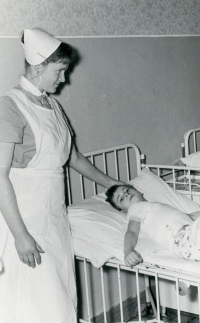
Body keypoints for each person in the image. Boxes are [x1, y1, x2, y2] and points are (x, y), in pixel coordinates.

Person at [0, 27, 123, 323]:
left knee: (60, 300)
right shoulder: (10, 107)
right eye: (59, 71)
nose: (63, 79)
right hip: (23, 221)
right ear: (39, 66)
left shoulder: (52, 106)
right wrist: (20, 236)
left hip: (54, 218)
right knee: (31, 304)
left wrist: (113, 184)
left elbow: (74, 158)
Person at [105, 184, 200, 267]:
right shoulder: (135, 208)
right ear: (123, 210)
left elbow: (188, 217)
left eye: (127, 190)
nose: (126, 194)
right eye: (121, 199)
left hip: (190, 240)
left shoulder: (154, 207)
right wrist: (128, 251)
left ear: (138, 191)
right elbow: (132, 232)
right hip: (185, 239)